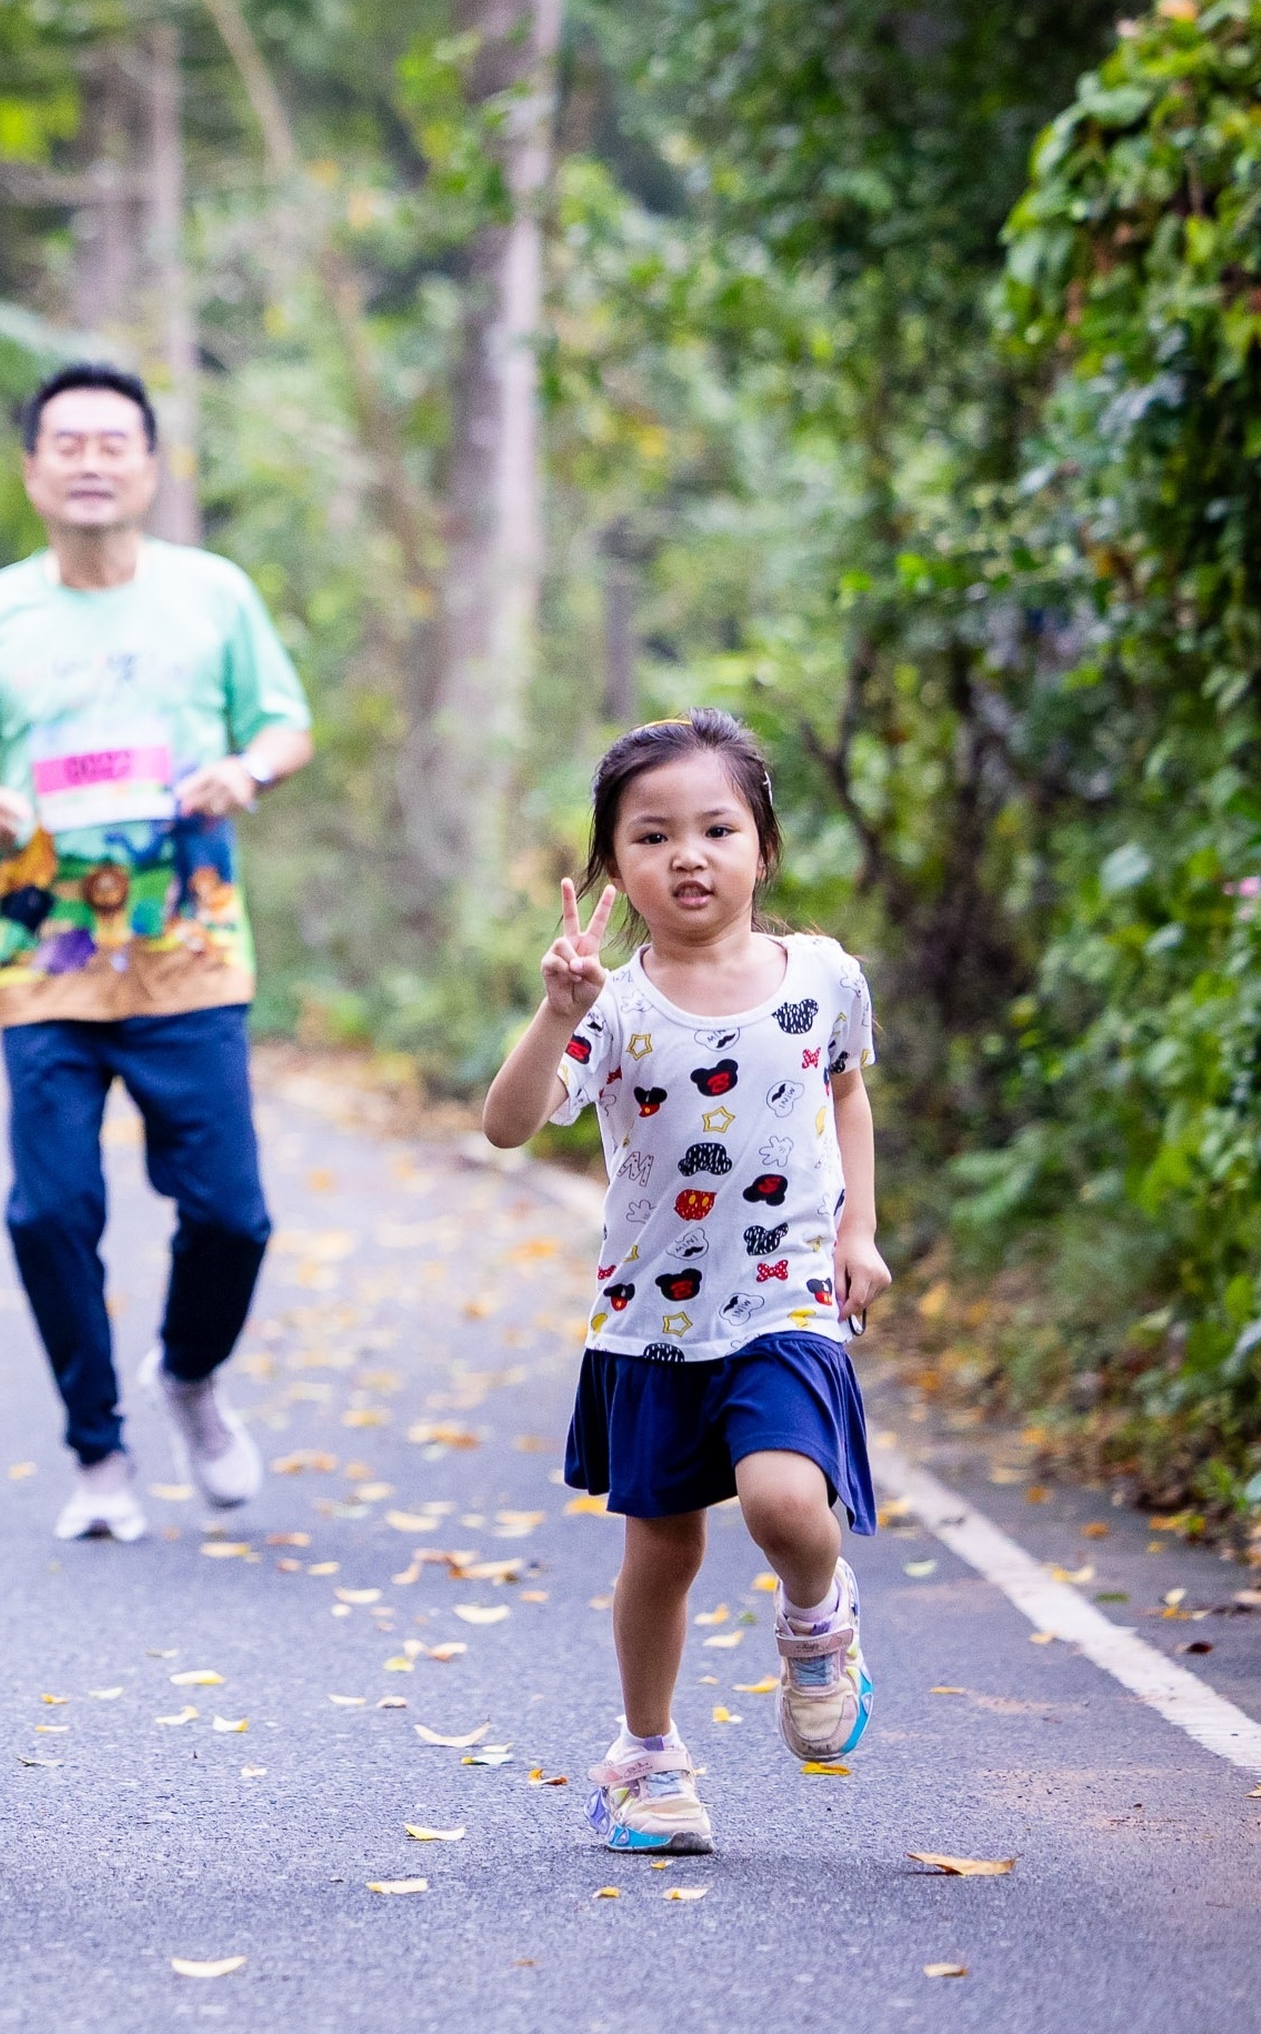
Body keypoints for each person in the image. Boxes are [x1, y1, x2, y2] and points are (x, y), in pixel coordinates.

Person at [0, 363, 313, 1545]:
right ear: (31, 470)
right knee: (50, 1209)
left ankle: (189, 1373)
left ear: (150, 467)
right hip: (47, 952)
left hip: (188, 943)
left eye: (113, 441)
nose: (89, 461)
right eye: (65, 442)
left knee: (231, 1216)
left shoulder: (211, 594)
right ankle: (98, 1448)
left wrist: (246, 769)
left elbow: (284, 721)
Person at [478, 711, 889, 1854]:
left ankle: (816, 1622)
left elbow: (845, 1089)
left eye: (717, 827)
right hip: (650, 1320)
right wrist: (558, 1009)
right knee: (661, 1550)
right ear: (613, 868)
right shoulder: (611, 1005)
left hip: (786, 1302)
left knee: (784, 1502)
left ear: (763, 845)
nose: (688, 855)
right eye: (651, 835)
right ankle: (646, 1759)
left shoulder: (822, 977)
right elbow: (507, 1123)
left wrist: (858, 1228)